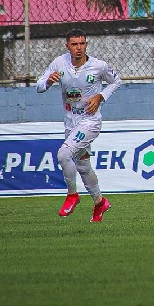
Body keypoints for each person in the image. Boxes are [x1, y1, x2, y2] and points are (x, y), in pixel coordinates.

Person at [36, 29, 122, 222]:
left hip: (90, 121)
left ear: (86, 45)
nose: (79, 48)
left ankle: (72, 195)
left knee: (63, 155)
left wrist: (100, 96)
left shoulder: (98, 66)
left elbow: (116, 81)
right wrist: (48, 82)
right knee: (83, 165)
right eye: (74, 44)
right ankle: (100, 203)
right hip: (70, 122)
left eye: (82, 43)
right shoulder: (59, 63)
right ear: (67, 46)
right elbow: (39, 86)